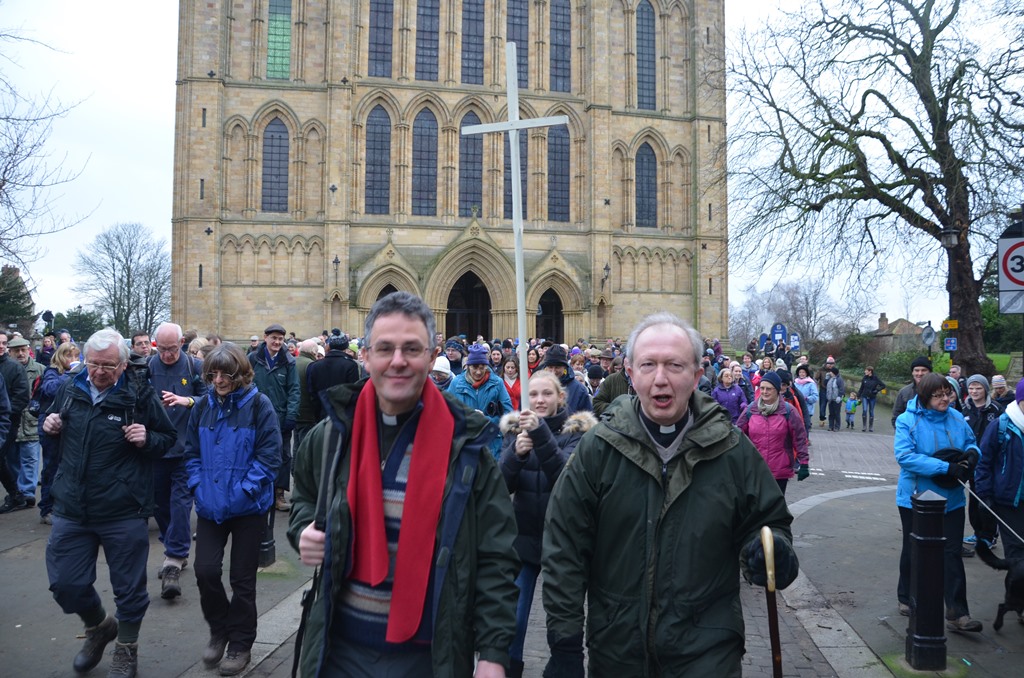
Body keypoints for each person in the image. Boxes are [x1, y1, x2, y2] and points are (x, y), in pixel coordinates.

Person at [542, 313, 798, 676]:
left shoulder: (731, 449)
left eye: (674, 365)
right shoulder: (597, 449)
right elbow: (564, 547)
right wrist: (564, 644)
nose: (660, 378)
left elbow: (769, 522)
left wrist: (772, 552)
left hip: (707, 652)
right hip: (618, 651)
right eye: (648, 365)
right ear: (630, 373)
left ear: (696, 375)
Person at [287, 291, 519, 677]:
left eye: (412, 348)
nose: (397, 361)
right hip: (338, 653)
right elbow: (305, 499)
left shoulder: (467, 447)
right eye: (385, 348)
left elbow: (497, 556)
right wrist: (302, 529)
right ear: (365, 356)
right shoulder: (330, 437)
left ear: (432, 356)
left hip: (430, 658)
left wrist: (493, 654)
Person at [41, 328, 177, 677]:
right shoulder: (71, 389)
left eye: (108, 365)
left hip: (123, 508)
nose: (99, 372)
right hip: (73, 505)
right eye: (94, 364)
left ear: (122, 364)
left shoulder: (139, 394)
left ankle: (126, 647)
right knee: (65, 585)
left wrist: (148, 438)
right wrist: (49, 424)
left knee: (129, 589)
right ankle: (99, 626)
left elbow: (168, 439)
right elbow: (52, 427)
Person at [184, 343, 281, 675]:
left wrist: (245, 490)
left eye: (225, 373)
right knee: (205, 571)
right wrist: (198, 485)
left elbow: (270, 457)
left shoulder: (259, 405)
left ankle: (240, 644)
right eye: (213, 373)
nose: (219, 380)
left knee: (242, 581)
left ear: (240, 373)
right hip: (211, 505)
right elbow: (191, 453)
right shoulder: (203, 407)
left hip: (248, 508)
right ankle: (219, 628)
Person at [499, 370, 596, 677]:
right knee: (512, 616)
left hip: (563, 544)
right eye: (534, 394)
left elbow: (565, 480)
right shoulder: (516, 432)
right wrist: (515, 454)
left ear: (561, 397)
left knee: (563, 621)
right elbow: (501, 484)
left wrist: (540, 435)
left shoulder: (579, 433)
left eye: (547, 394)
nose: (540, 400)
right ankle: (508, 668)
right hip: (525, 538)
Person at [893, 372, 982, 631]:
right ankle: (906, 596)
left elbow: (971, 442)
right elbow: (905, 457)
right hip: (917, 498)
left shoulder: (956, 417)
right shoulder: (907, 421)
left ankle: (957, 612)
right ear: (925, 396)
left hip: (952, 498)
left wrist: (972, 458)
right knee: (914, 549)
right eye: (939, 395)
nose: (945, 399)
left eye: (948, 393)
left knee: (952, 553)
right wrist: (945, 468)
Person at [148, 322, 207, 600]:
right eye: (162, 349)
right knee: (159, 504)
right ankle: (174, 546)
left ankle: (173, 558)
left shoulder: (195, 366)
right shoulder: (148, 366)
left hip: (186, 450)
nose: (168, 354)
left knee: (181, 504)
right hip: (157, 449)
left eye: (172, 349)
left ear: (182, 342)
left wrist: (187, 401)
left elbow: (209, 398)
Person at [248, 323, 299, 512]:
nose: (277, 342)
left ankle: (278, 494)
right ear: (265, 338)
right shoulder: (253, 359)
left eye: (280, 339)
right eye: (274, 338)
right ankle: (258, 491)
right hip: (256, 417)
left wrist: (291, 415)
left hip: (280, 416)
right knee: (256, 453)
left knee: (283, 456)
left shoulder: (288, 361)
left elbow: (294, 389)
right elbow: (245, 385)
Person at [736, 371, 810, 496]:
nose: (764, 392)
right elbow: (737, 435)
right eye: (762, 388)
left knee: (775, 509)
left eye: (768, 389)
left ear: (777, 390)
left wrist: (803, 463)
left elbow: (799, 438)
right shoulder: (751, 410)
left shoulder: (788, 411)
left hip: (779, 470)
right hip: (755, 468)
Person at [977, 380, 1024, 566]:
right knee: (1017, 551)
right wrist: (984, 494)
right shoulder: (1000, 425)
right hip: (1009, 501)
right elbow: (983, 461)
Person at [36, 341, 80, 524]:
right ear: (60, 356)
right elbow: (50, 389)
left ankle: (62, 506)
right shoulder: (52, 372)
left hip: (68, 426)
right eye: (69, 356)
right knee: (51, 468)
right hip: (49, 427)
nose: (73, 359)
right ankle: (46, 508)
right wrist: (72, 375)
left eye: (76, 356)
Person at [447, 344, 514, 459]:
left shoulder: (497, 383)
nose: (478, 372)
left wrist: (485, 420)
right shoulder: (456, 383)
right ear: (468, 366)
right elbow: (446, 413)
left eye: (482, 367)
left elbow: (509, 414)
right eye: (475, 367)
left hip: (492, 446)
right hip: (465, 445)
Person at [961, 374, 1004, 555]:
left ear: (985, 389)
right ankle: (978, 533)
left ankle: (989, 536)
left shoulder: (996, 410)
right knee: (973, 500)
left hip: (989, 463)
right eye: (971, 388)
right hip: (971, 462)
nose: (974, 391)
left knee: (986, 499)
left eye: (978, 388)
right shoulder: (965, 409)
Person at [7, 337, 44, 509]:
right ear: (10, 352)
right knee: (12, 460)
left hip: (31, 422)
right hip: (11, 423)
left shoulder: (40, 370)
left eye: (23, 349)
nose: (21, 353)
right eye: (16, 351)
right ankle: (17, 491)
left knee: (30, 459)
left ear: (28, 349)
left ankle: (28, 493)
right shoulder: (6, 369)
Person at [0, 330, 30, 513]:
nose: (1, 346)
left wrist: (8, 416)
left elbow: (21, 397)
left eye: (4, 343)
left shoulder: (14, 367)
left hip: (7, 422)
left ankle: (16, 495)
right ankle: (16, 495)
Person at [307, 331, 362, 422]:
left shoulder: (316, 366)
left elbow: (312, 393)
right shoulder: (350, 365)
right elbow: (353, 393)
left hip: (322, 414)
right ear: (345, 347)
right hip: (344, 416)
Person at [537, 345, 592, 416]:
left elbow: (588, 419)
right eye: (550, 367)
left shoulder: (578, 389)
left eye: (557, 367)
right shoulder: (536, 386)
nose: (553, 371)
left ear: (564, 367)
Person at [892, 356, 931, 426]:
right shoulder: (904, 392)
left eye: (923, 370)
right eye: (917, 370)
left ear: (929, 372)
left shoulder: (938, 391)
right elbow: (896, 417)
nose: (920, 373)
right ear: (912, 372)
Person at [857, 366, 886, 432]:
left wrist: (876, 390)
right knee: (864, 410)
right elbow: (861, 388)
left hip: (872, 397)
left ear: (870, 371)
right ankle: (864, 426)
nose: (865, 372)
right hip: (865, 396)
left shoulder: (875, 378)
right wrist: (858, 395)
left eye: (866, 370)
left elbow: (883, 385)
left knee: (871, 411)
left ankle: (871, 426)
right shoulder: (864, 378)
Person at [792, 364, 817, 437]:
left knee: (806, 425)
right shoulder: (795, 383)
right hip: (796, 408)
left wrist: (807, 398)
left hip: (807, 408)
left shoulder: (811, 384)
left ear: (806, 373)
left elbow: (815, 397)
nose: (802, 374)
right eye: (800, 372)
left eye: (803, 372)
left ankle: (806, 440)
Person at [825, 367, 845, 432]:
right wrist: (826, 378)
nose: (830, 372)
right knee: (831, 413)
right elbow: (825, 385)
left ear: (833, 372)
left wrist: (839, 396)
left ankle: (837, 426)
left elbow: (841, 388)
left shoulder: (839, 379)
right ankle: (831, 426)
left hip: (836, 399)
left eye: (831, 371)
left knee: (837, 413)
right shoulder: (830, 379)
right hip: (830, 399)